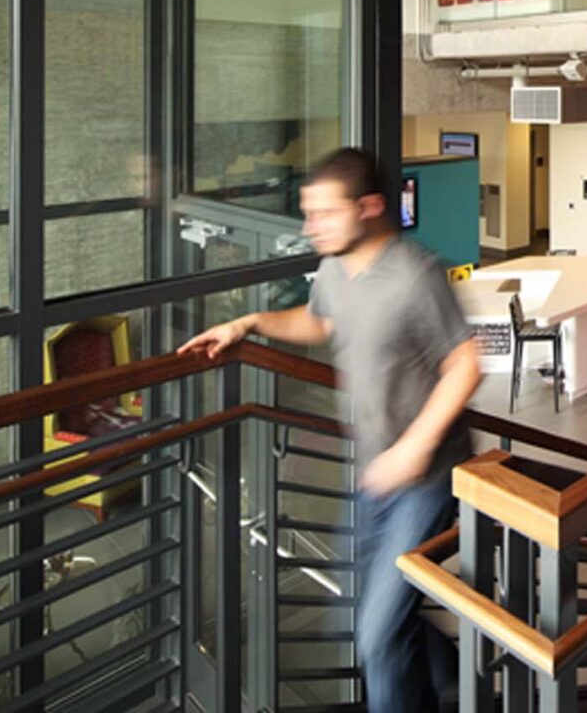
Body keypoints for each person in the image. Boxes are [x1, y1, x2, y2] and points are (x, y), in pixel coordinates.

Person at [180, 147, 480, 712]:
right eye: (307, 213)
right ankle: (454, 688)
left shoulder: (416, 273)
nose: (309, 226)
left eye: (323, 214)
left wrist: (414, 450)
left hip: (425, 477)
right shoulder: (336, 270)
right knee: (371, 614)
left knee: (374, 633)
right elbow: (318, 320)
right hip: (372, 475)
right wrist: (247, 324)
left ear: (367, 207)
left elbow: (464, 363)